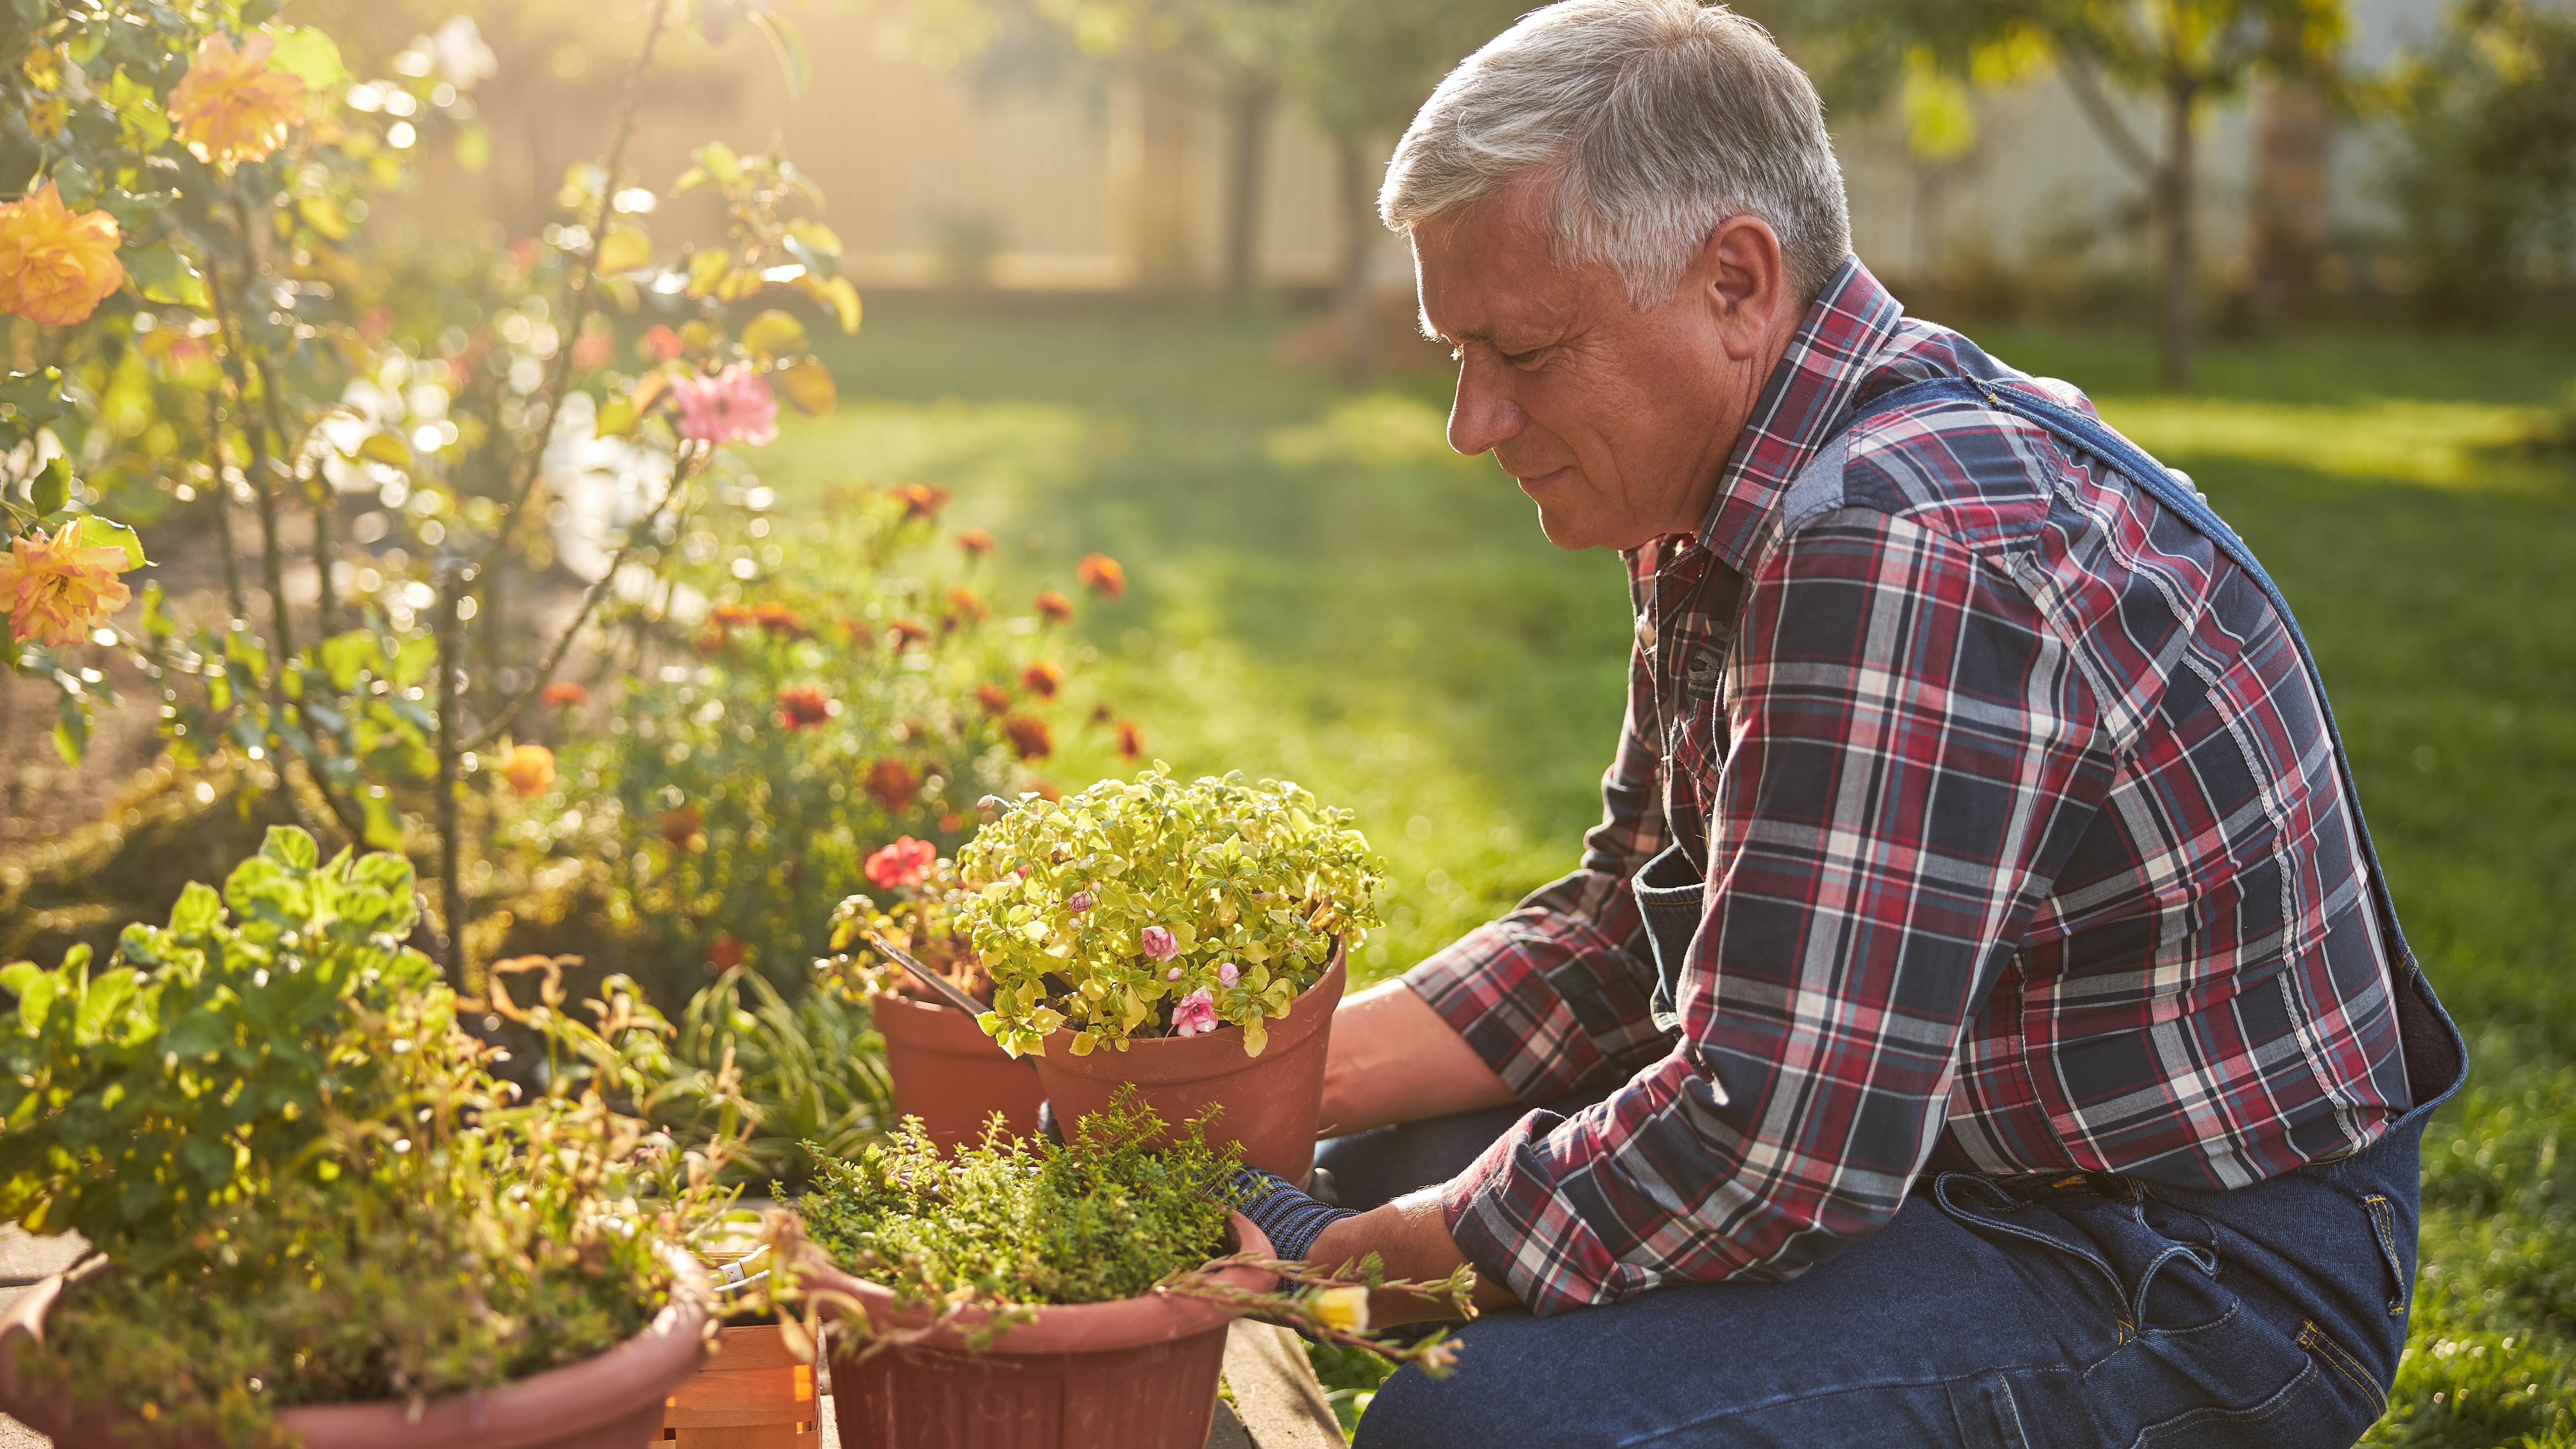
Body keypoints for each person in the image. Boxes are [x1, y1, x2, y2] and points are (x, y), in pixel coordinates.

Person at [1224, 2, 2466, 1444]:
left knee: (1484, 1425)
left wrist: (1338, 1271)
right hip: (1955, 1151)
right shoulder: (1737, 482)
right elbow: (1626, 929)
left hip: (2188, 1266)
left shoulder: (1895, 536)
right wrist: (1244, 1085)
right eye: (1456, 354)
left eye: (1525, 351)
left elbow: (1772, 1140)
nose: (1471, 423)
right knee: (1401, 1159)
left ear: (1735, 283)